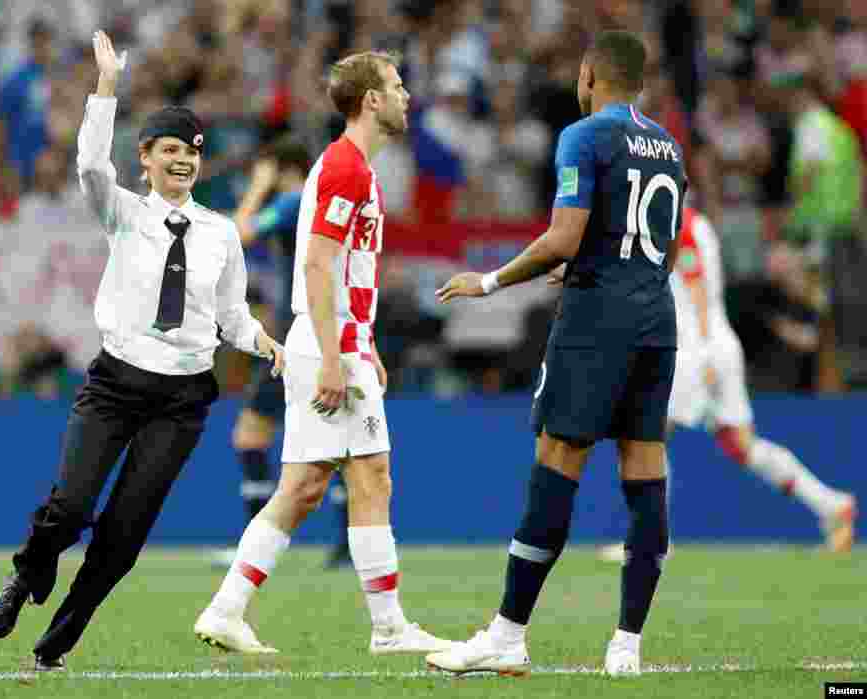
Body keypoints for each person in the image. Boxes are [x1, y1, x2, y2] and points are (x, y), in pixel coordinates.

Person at [0, 30, 285, 671]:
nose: (182, 161)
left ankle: (58, 641)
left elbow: (230, 316)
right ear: (144, 158)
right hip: (115, 383)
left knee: (123, 535)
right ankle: (23, 578)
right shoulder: (122, 212)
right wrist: (108, 86)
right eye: (168, 150)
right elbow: (91, 165)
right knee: (70, 507)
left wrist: (262, 343)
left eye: (192, 152)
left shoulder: (220, 233)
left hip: (183, 398)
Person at [427, 31, 686, 677]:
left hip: (598, 321)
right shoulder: (669, 147)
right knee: (645, 470)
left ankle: (507, 635)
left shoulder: (585, 135)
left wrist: (487, 282)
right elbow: (662, 246)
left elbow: (564, 235)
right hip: (656, 316)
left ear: (591, 74)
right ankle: (626, 646)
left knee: (557, 461)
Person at [193, 50, 452, 656]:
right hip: (326, 342)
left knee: (310, 485)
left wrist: (363, 343)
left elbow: (344, 273)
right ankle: (388, 628)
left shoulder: (353, 167)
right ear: (370, 101)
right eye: (395, 85)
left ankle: (228, 608)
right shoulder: (345, 169)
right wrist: (338, 357)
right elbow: (316, 262)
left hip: (338, 338)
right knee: (369, 477)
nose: (406, 94)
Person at [599, 208, 856, 562]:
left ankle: (648, 541)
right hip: (719, 345)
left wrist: (702, 352)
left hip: (697, 350)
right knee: (742, 447)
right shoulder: (695, 221)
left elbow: (695, 285)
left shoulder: (674, 219)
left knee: (644, 436)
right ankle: (831, 504)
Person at [214, 137, 353, 570]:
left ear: (279, 168)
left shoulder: (295, 200)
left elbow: (241, 232)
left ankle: (257, 547)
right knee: (330, 442)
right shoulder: (311, 203)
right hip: (317, 331)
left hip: (305, 336)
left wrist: (258, 187)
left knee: (254, 435)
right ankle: (345, 545)